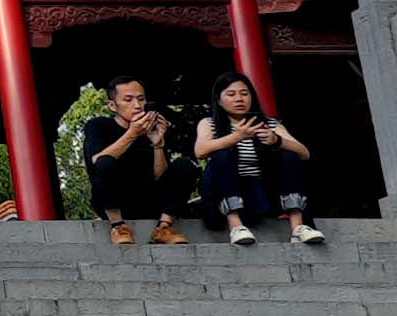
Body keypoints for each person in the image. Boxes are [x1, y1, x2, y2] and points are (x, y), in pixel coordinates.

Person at [192, 75, 324, 246]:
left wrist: (277, 141)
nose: (239, 99)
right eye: (231, 94)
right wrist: (237, 137)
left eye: (244, 94)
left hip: (261, 194)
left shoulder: (269, 124)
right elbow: (200, 151)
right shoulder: (209, 123)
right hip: (224, 195)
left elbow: (304, 153)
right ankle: (236, 226)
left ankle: (298, 227)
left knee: (288, 154)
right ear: (219, 100)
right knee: (221, 154)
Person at [83, 79, 187, 247]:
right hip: (114, 200)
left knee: (184, 166)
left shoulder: (150, 129)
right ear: (112, 106)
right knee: (105, 161)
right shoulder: (98, 125)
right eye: (128, 99)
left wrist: (158, 144)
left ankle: (164, 227)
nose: (137, 105)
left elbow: (159, 176)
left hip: (148, 198)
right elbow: (96, 161)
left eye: (141, 99)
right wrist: (132, 133)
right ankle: (118, 227)